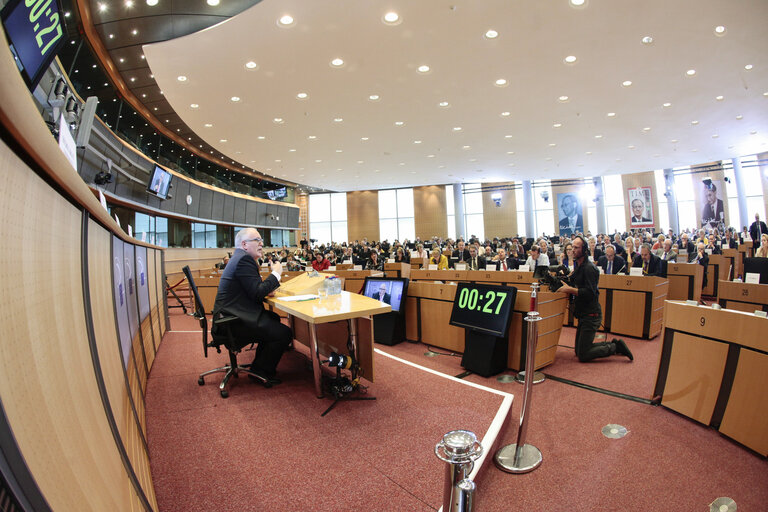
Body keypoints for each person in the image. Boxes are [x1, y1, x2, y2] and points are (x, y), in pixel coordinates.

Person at [212, 228, 292, 385]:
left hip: (230, 316)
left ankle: (260, 366)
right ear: (244, 244)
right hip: (232, 322)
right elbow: (256, 293)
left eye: (261, 240)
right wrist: (276, 273)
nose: (261, 243)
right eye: (257, 240)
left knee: (274, 318)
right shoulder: (244, 260)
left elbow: (252, 289)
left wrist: (265, 290)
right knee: (284, 333)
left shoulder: (240, 258)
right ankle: (261, 371)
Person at [558, 236, 633, 362]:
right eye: (572, 248)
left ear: (584, 250)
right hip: (583, 314)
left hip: (591, 315)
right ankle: (615, 344)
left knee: (583, 354)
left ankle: (614, 347)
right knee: (579, 350)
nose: (573, 250)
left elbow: (590, 293)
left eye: (576, 248)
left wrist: (569, 290)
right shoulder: (579, 266)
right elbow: (572, 281)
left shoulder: (589, 268)